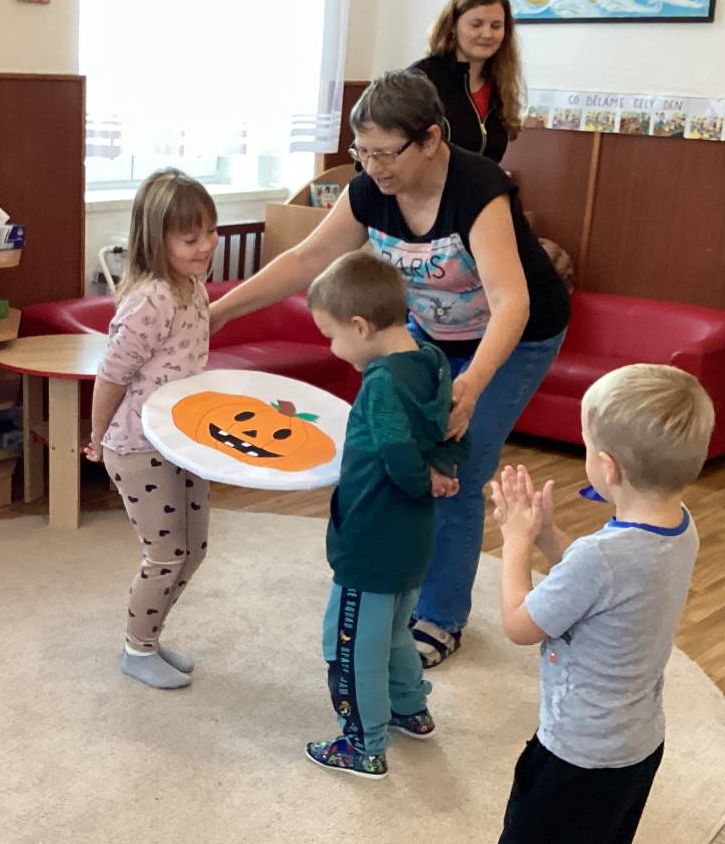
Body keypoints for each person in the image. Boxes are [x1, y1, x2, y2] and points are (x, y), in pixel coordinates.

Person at [402, 364, 714, 844]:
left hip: (574, 757)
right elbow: (598, 587)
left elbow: (521, 623)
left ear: (608, 468)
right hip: (636, 747)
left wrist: (515, 540)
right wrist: (547, 536)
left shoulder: (604, 556)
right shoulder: (676, 528)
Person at [210, 69, 570, 670]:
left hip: (515, 338)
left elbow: (513, 302)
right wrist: (220, 312)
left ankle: (442, 617)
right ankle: (403, 585)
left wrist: (471, 385)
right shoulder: (369, 190)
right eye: (363, 152)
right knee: (395, 457)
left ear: (430, 139)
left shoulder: (479, 189)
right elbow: (305, 259)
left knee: (455, 468)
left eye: (386, 153)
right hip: (430, 333)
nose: (373, 167)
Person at [302, 250, 467, 779]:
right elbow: (451, 427)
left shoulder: (379, 382)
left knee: (350, 646)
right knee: (396, 631)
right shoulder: (432, 361)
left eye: (331, 335)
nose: (331, 348)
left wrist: (421, 480)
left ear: (360, 326)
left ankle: (363, 744)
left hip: (372, 538)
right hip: (412, 537)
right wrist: (442, 471)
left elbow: (396, 452)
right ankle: (410, 709)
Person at [84, 169, 218, 690]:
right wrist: (97, 437)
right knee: (165, 554)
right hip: (138, 446)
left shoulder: (193, 288)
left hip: (182, 441)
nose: (206, 245)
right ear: (156, 241)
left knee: (194, 549)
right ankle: (136, 650)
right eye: (190, 238)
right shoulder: (150, 300)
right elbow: (111, 376)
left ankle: (150, 637)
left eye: (210, 231)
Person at [409, 0, 524, 163]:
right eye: (476, 25)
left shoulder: (500, 83)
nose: (487, 34)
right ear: (453, 27)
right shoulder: (420, 79)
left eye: (496, 26)